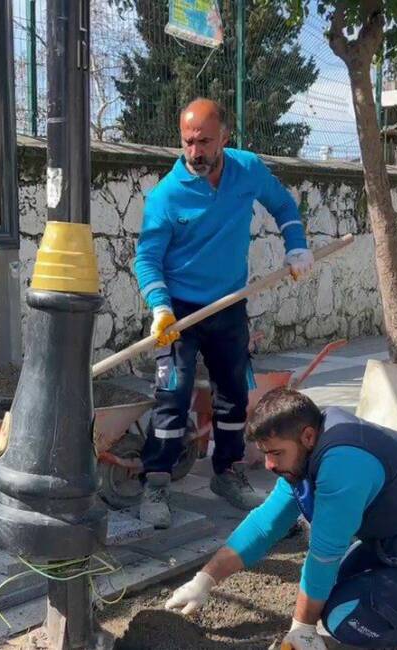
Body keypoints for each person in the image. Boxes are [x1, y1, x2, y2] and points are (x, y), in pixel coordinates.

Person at [164, 388, 397, 650]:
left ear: (306, 436)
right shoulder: (308, 454)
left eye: (275, 453)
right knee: (332, 595)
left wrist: (301, 629)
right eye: (265, 454)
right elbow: (263, 525)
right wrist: (204, 580)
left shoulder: (344, 464)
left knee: (345, 619)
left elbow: (324, 554)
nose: (269, 465)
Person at [133, 98, 314, 528]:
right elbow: (147, 258)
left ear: (225, 138)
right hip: (177, 312)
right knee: (172, 394)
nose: (195, 151)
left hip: (229, 304)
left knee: (233, 394)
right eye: (188, 141)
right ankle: (156, 481)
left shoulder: (247, 170)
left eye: (205, 141)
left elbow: (284, 207)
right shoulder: (167, 195)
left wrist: (297, 245)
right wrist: (159, 308)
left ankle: (227, 472)